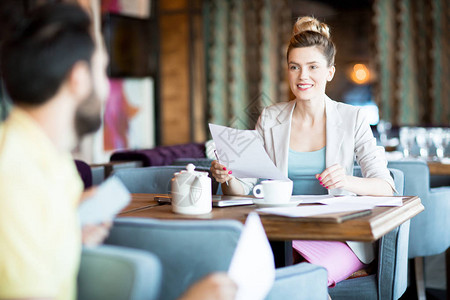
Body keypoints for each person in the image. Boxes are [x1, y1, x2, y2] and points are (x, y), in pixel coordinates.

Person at [0, 3, 235, 300]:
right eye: (103, 70)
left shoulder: (50, 162)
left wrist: (70, 235)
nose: (105, 85)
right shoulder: (17, 177)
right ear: (79, 78)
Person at [211, 16, 396, 287]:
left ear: (329, 72)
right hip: (282, 232)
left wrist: (347, 181)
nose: (303, 76)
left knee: (286, 276)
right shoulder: (270, 117)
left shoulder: (352, 118)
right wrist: (228, 177)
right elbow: (244, 188)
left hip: (338, 237)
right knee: (258, 270)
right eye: (294, 67)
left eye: (313, 67)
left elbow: (387, 188)